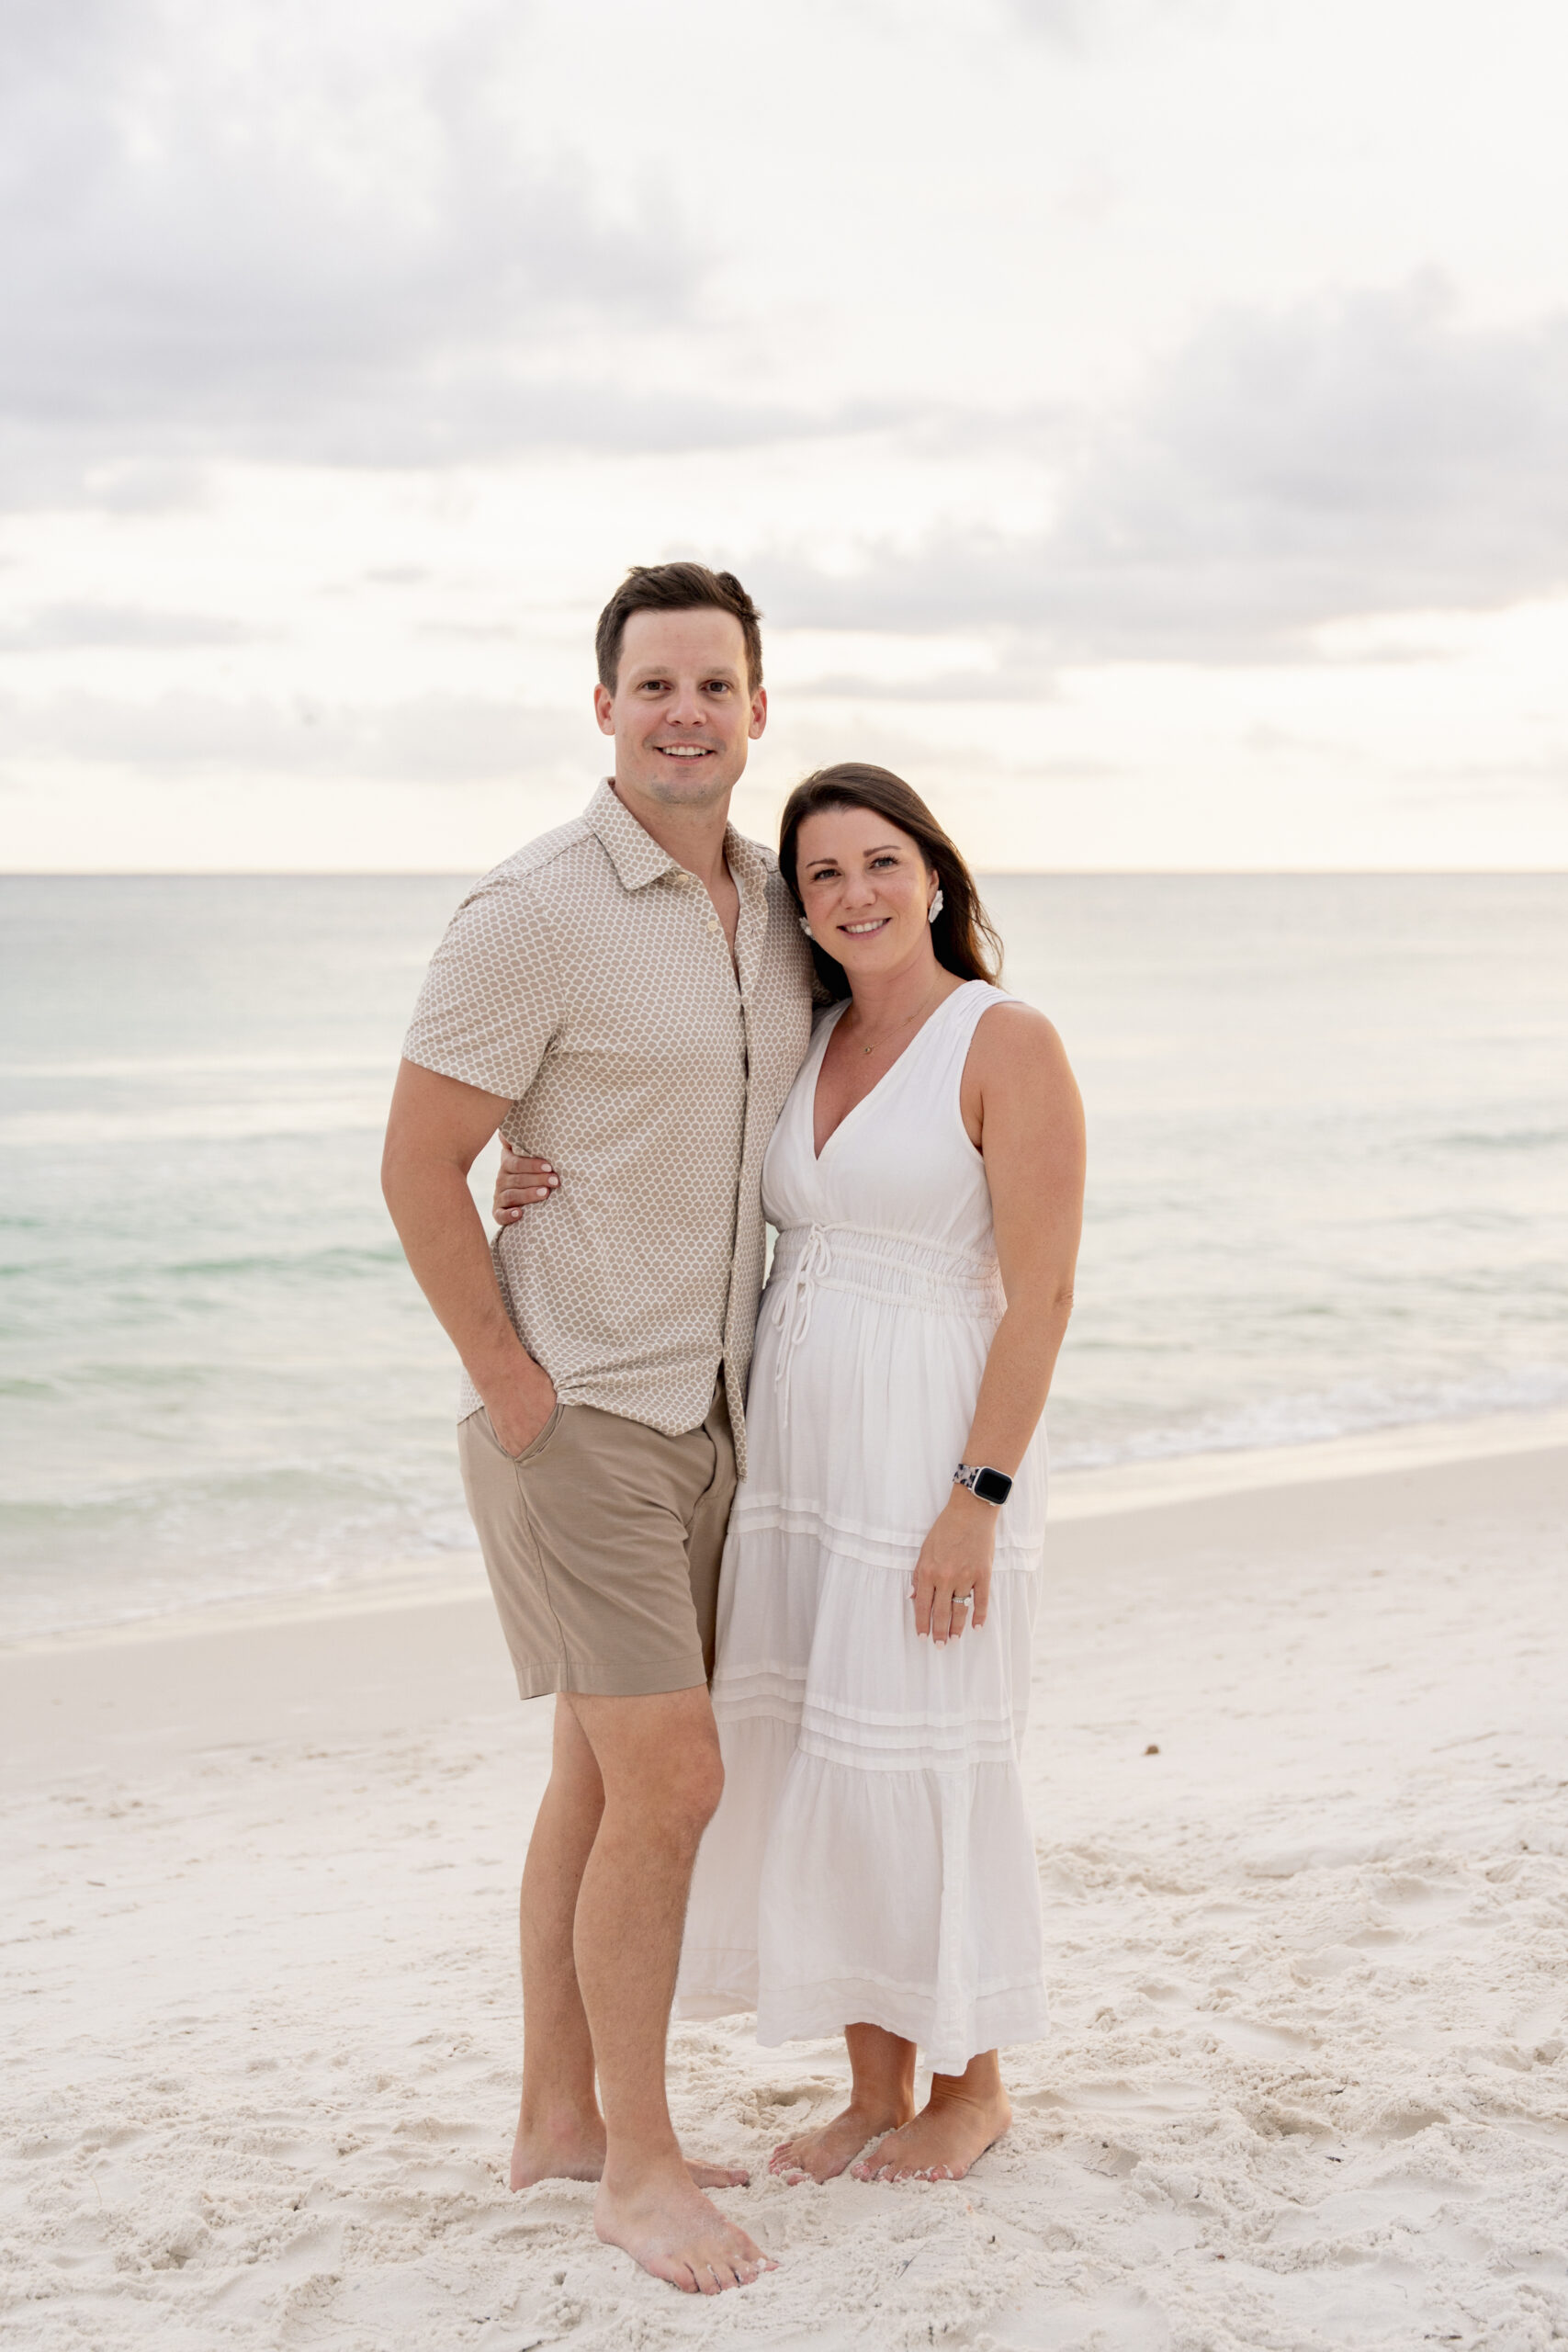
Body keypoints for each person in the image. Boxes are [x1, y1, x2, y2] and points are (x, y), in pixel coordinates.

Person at [498, 763, 1085, 2187]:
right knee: (827, 1751)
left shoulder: (1004, 1040)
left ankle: (974, 2086)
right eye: (821, 877)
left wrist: (975, 1499)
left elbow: (1046, 1293)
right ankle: (877, 2089)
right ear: (799, 906)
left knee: (924, 1748)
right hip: (796, 1449)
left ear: (932, 873)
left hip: (930, 1447)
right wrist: (528, 1167)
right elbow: (675, 1151)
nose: (854, 895)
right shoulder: (806, 1034)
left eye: (879, 863)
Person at [381, 562, 814, 2296]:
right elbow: (421, 1167)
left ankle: (559, 2115)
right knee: (675, 1782)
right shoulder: (531, 911)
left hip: (719, 1407)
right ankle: (639, 2165)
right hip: (584, 1424)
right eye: (655, 685)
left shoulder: (783, 907)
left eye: (716, 684)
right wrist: (513, 1383)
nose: (686, 712)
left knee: (592, 1777)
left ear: (759, 708)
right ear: (606, 707)